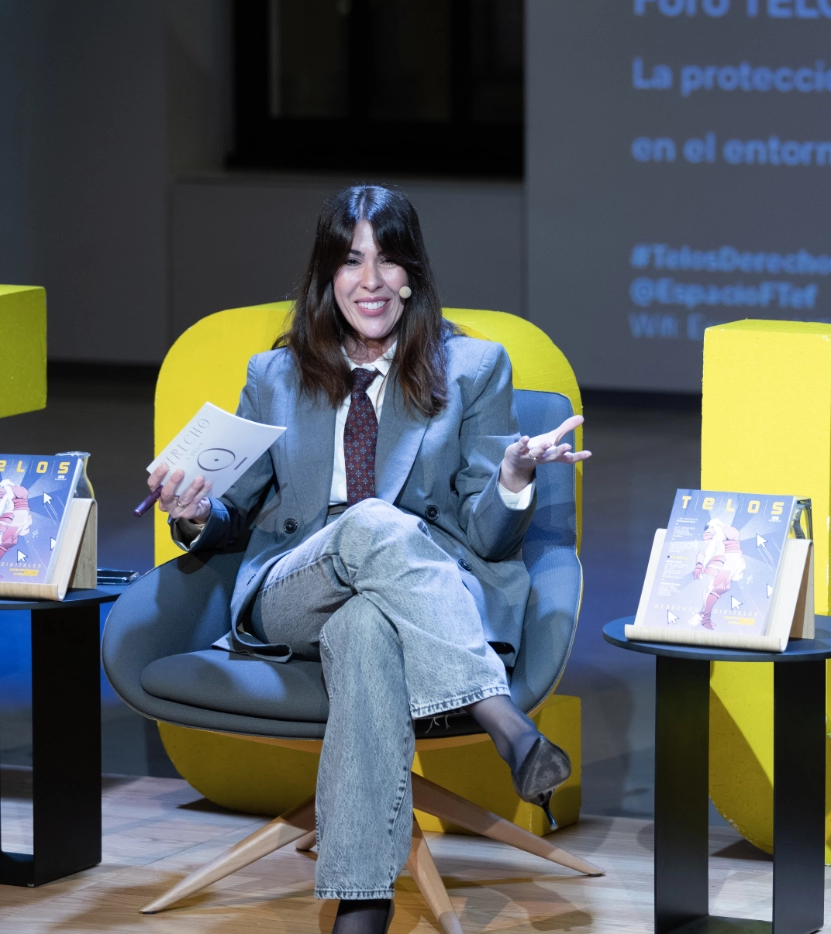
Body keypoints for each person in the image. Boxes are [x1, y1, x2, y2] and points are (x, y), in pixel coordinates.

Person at [146, 185, 590, 934]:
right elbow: (236, 515)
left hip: (405, 600)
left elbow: (487, 540)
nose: (371, 280)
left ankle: (361, 904)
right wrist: (196, 513)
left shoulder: (474, 369)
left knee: (364, 630)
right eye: (351, 261)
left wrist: (513, 478)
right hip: (292, 590)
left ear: (412, 274)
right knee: (369, 524)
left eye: (387, 260)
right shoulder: (275, 377)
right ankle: (500, 715)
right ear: (327, 276)